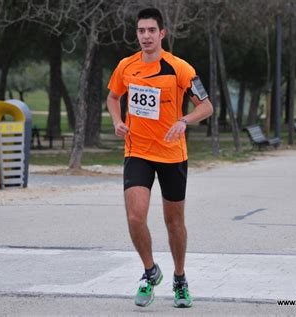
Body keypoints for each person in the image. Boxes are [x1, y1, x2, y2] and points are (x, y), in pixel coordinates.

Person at [106, 8, 213, 308]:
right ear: (137, 34)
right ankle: (150, 272)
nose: (146, 36)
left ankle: (180, 278)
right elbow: (113, 97)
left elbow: (206, 106)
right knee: (134, 217)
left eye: (152, 30)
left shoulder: (180, 68)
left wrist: (185, 120)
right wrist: (116, 121)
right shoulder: (126, 66)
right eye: (141, 31)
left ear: (162, 33)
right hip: (137, 150)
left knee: (173, 221)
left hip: (171, 153)